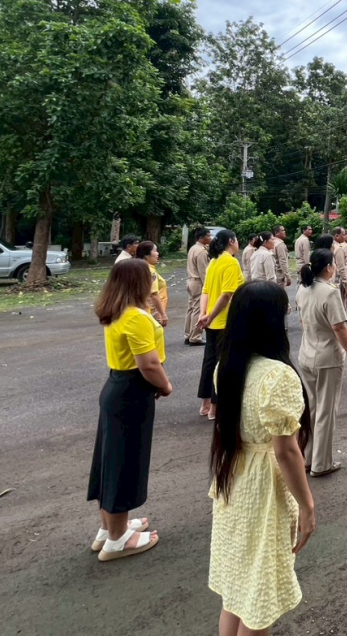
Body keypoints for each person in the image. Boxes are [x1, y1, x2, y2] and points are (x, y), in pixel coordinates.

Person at [207, 282, 315, 636]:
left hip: (234, 478)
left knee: (238, 592)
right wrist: (308, 507)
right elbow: (285, 450)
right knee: (260, 600)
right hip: (264, 489)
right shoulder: (277, 375)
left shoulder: (228, 366)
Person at [88, 259, 171, 561]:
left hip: (117, 386)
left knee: (110, 460)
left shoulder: (116, 310)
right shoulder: (136, 316)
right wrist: (165, 385)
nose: (154, 280)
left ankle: (110, 526)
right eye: (149, 276)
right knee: (123, 462)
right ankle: (117, 538)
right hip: (130, 391)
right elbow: (147, 363)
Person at [296, 248, 347, 478]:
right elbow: (339, 327)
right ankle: (321, 463)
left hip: (307, 353)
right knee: (326, 410)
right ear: (327, 268)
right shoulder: (330, 293)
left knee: (311, 408)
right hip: (327, 357)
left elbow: (303, 321)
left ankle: (308, 456)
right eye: (333, 264)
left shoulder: (303, 289)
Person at [197, 230, 244, 421]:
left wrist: (204, 314)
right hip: (224, 320)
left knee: (209, 361)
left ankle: (205, 403)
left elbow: (205, 291)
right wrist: (210, 315)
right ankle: (215, 408)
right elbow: (226, 295)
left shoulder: (214, 262)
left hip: (211, 320)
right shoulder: (230, 262)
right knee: (221, 363)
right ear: (231, 241)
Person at [185, 228, 212, 346]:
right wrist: (208, 287)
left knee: (191, 308)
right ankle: (195, 337)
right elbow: (204, 272)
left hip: (191, 280)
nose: (210, 238)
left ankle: (188, 334)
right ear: (202, 238)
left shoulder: (193, 248)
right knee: (198, 309)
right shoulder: (201, 251)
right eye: (208, 236)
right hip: (198, 282)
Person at [135, 241, 169, 328]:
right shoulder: (149, 270)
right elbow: (153, 294)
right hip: (150, 310)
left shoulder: (137, 267)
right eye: (155, 251)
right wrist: (162, 314)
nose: (157, 254)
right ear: (146, 255)